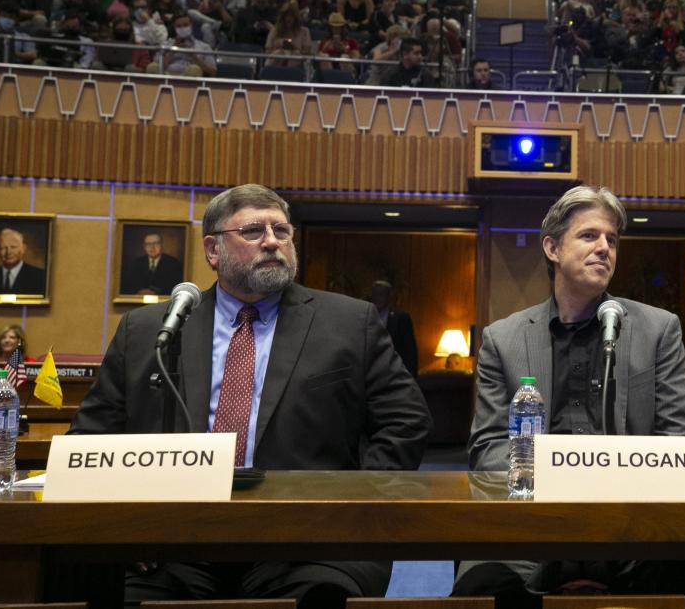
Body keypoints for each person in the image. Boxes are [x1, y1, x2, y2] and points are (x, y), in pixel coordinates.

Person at [70, 184, 432, 607]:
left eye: (281, 230)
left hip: (308, 540)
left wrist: (354, 504)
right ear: (212, 249)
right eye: (254, 231)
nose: (273, 241)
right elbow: (93, 437)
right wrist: (128, 527)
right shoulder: (149, 331)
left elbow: (406, 420)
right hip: (176, 540)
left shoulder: (349, 322)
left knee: (320, 598)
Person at [455, 185, 685, 609]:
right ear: (552, 248)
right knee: (480, 582)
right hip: (534, 529)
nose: (604, 248)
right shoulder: (503, 339)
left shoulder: (658, 330)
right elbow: (488, 449)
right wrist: (565, 480)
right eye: (589, 236)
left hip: (632, 530)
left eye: (612, 240)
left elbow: (680, 442)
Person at [0, 227, 47, 295]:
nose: (8, 252)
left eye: (13, 247)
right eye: (3, 248)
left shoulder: (39, 276)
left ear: (23, 249)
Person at [368, 280, 419, 377]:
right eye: (375, 294)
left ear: (388, 297)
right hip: (371, 374)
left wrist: (411, 377)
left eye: (381, 294)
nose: (377, 298)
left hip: (394, 374)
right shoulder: (365, 317)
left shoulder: (401, 318)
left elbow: (410, 351)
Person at [120, 230, 185, 296]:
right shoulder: (136, 263)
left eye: (156, 243)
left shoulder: (174, 264)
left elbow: (176, 289)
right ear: (144, 247)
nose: (152, 247)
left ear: (161, 245)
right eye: (148, 244)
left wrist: (157, 293)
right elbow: (128, 287)